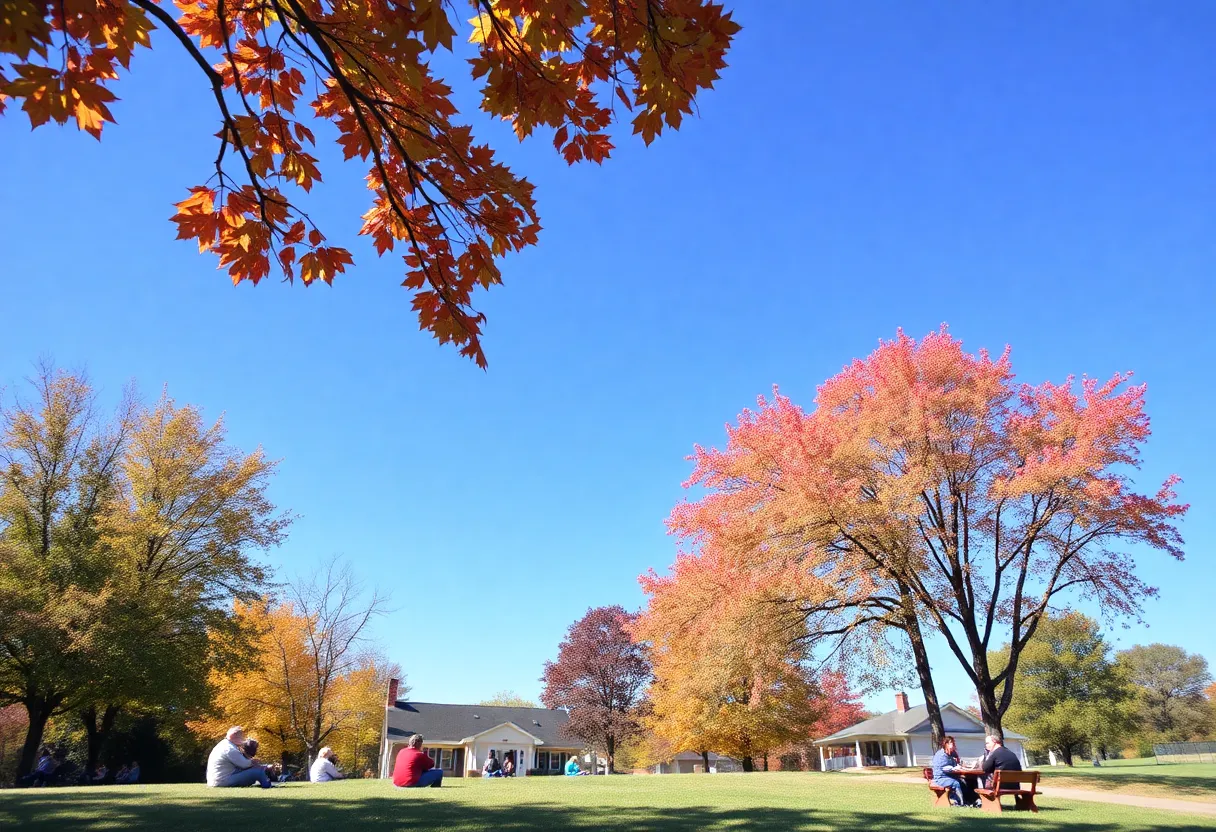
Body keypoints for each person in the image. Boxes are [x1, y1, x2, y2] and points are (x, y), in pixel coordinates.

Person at [207, 726, 273, 788]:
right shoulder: (230, 749)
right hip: (222, 781)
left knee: (255, 771)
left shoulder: (224, 744)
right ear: (234, 737)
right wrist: (256, 763)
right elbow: (245, 765)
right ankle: (267, 785)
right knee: (258, 771)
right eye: (241, 737)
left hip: (216, 780)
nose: (243, 739)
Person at [930, 736, 972, 807]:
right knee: (955, 783)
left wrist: (956, 757)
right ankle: (961, 803)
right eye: (951, 744)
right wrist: (953, 768)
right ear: (946, 744)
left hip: (948, 776)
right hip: (940, 778)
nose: (953, 746)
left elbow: (956, 762)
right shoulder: (941, 755)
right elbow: (943, 768)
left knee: (964, 781)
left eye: (953, 744)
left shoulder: (950, 754)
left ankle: (968, 800)